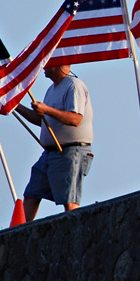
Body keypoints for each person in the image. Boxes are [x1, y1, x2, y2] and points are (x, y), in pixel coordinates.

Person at [16, 64, 94, 221]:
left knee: (69, 201)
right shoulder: (52, 89)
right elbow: (42, 121)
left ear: (59, 65)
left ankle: (74, 234)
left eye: (48, 62)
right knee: (32, 194)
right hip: (51, 153)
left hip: (72, 152)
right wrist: (15, 106)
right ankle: (19, 233)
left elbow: (75, 118)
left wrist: (47, 110)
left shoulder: (74, 86)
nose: (43, 66)